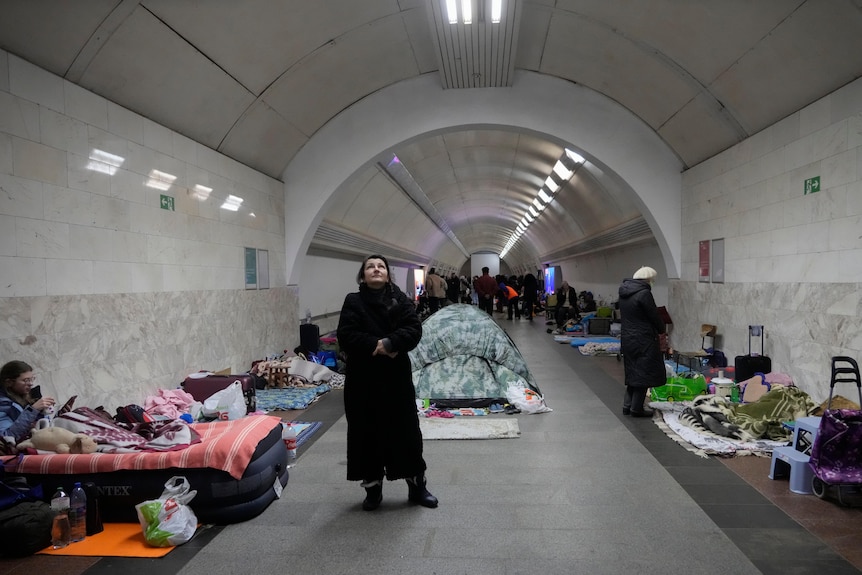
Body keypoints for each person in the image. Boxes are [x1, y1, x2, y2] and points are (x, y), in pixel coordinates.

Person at [337, 255, 438, 511]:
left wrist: (391, 343)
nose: (376, 269)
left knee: (406, 433)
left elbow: (414, 329)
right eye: (370, 266)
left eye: (380, 266)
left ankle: (417, 487)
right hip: (363, 381)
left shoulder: (400, 299)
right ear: (363, 274)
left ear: (387, 274)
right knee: (365, 434)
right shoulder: (353, 301)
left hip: (396, 381)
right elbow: (347, 335)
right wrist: (378, 345)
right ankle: (373, 490)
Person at [618, 266, 666, 417]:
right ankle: (636, 409)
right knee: (643, 375)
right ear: (648, 279)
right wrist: (661, 329)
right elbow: (653, 315)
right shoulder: (644, 293)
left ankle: (627, 406)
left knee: (632, 373)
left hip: (628, 338)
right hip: (643, 339)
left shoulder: (624, 292)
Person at [0, 361, 57, 442]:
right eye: (26, 380)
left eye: (32, 379)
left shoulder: (29, 395)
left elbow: (43, 426)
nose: (31, 384)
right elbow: (6, 437)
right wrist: (32, 410)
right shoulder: (3, 405)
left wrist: (45, 412)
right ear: (9, 382)